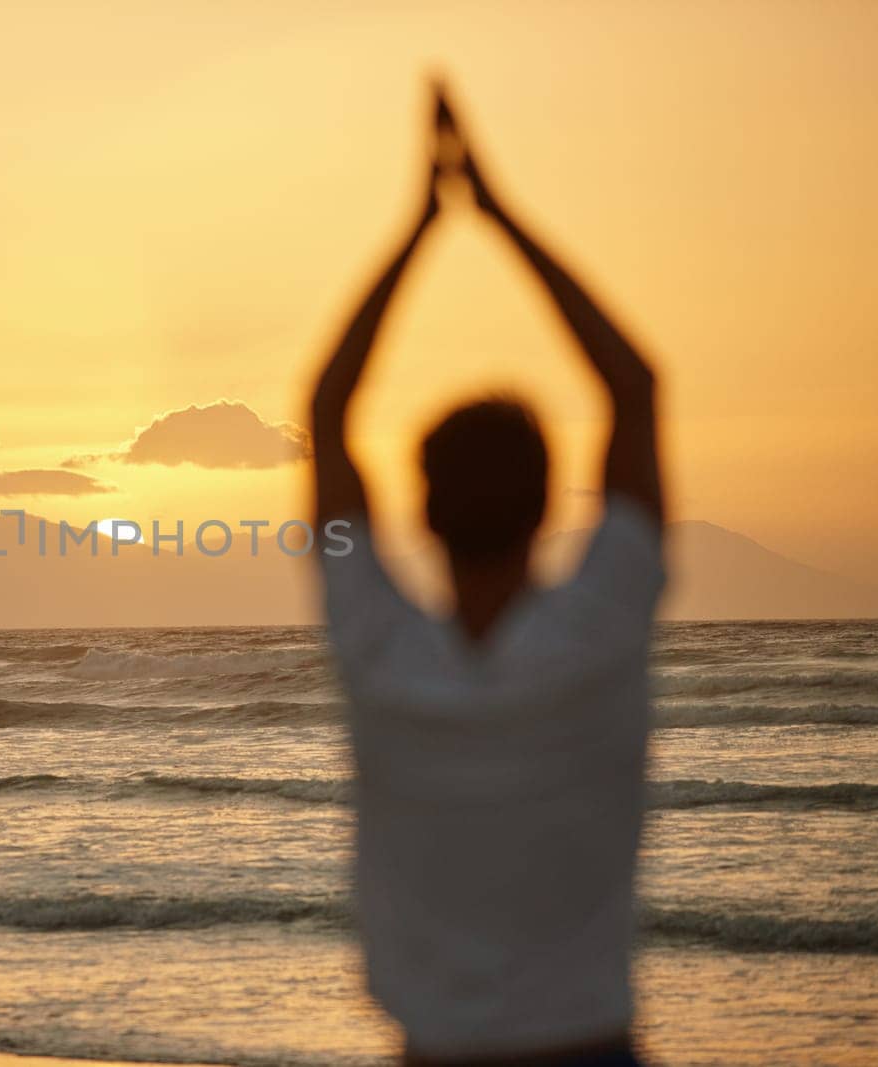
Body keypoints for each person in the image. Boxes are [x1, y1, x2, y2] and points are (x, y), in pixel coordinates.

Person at [310, 87, 664, 1066]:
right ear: (553, 507)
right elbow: (634, 389)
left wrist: (416, 226)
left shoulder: (375, 643)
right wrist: (497, 214)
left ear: (416, 512)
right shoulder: (598, 629)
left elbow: (328, 407)